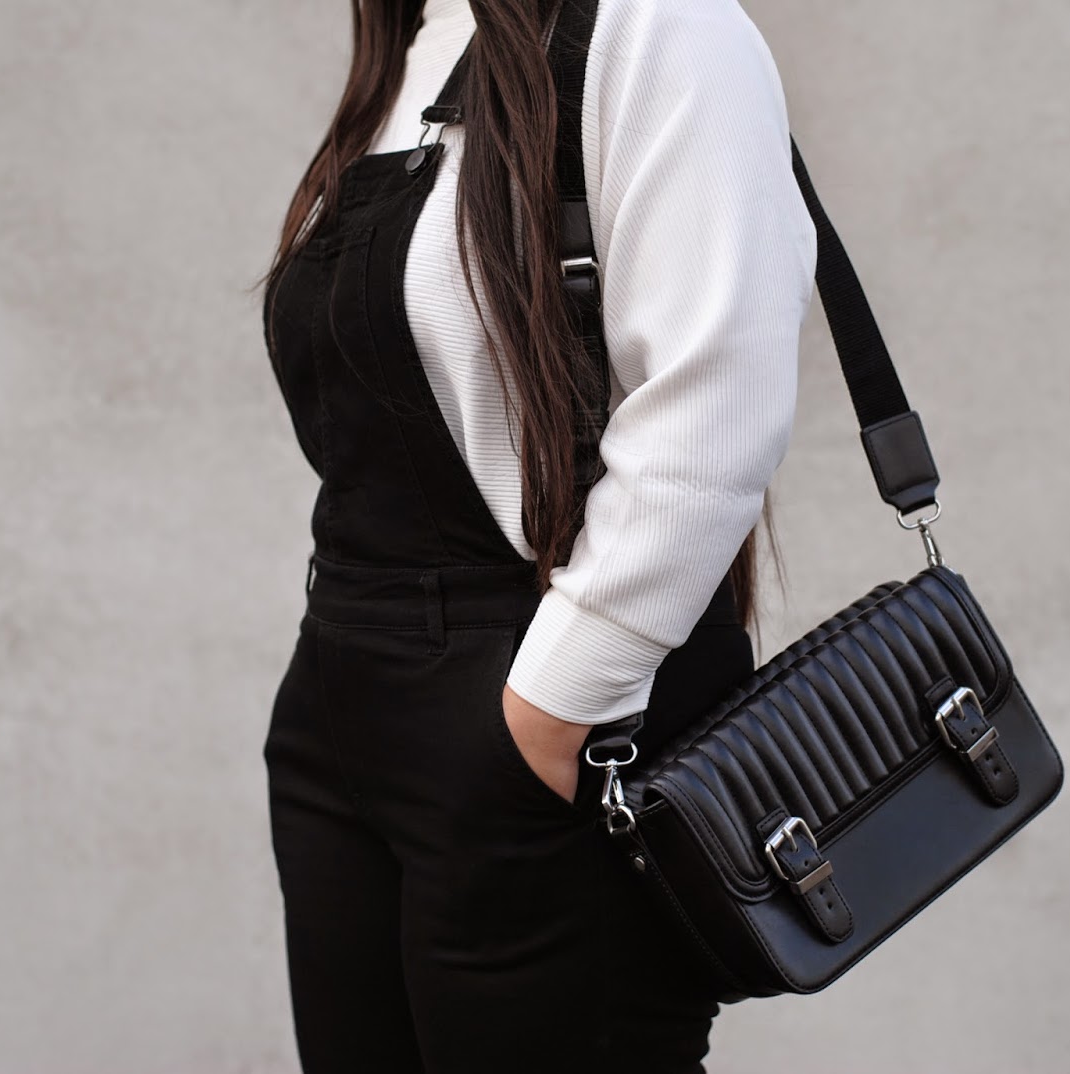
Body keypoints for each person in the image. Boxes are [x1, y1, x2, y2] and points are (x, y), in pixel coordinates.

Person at [255, 0, 815, 1069]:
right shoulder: (421, 45)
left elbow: (713, 404)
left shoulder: (657, 25)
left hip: (540, 717)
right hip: (343, 711)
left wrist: (546, 720)